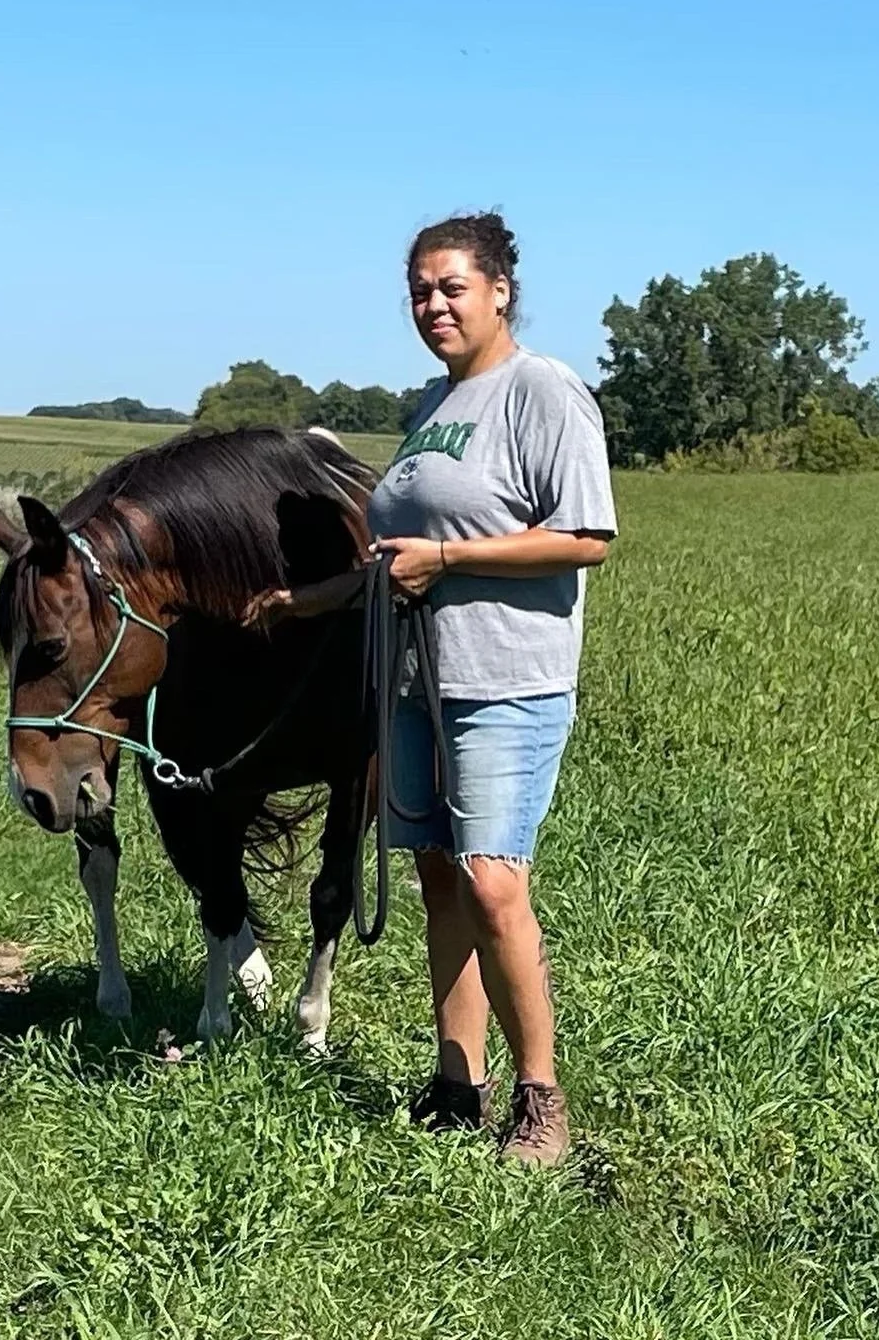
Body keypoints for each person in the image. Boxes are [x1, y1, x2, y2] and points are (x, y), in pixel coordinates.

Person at [249, 212, 617, 1166]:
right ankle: (458, 1084)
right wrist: (306, 601)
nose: (434, 305)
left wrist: (449, 557)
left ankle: (542, 1105)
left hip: (507, 680)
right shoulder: (429, 405)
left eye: (452, 287)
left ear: (500, 290)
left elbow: (586, 540)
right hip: (416, 680)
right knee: (441, 881)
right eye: (420, 290)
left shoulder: (545, 394)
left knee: (495, 885)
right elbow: (392, 559)